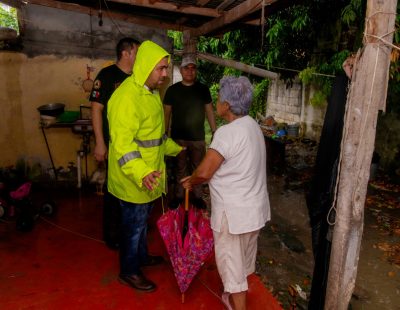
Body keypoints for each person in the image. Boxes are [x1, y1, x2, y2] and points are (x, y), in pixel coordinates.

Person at [181, 76, 270, 310]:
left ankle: (237, 305)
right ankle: (233, 294)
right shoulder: (252, 125)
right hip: (254, 212)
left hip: (233, 216)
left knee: (233, 268)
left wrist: (191, 180)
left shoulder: (226, 133)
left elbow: (206, 170)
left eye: (219, 98)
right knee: (242, 262)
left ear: (227, 106)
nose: (217, 101)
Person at [107, 40, 183, 292]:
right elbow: (123, 146)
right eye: (160, 69)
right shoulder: (126, 98)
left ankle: (141, 257)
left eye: (165, 69)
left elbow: (154, 137)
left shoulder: (149, 93)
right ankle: (128, 272)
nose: (165, 74)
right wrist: (143, 172)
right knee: (132, 227)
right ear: (146, 66)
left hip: (148, 178)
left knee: (140, 225)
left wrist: (175, 148)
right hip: (133, 180)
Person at [90, 37, 140, 250]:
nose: (139, 57)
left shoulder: (138, 78)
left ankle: (133, 229)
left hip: (136, 146)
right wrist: (101, 143)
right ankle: (112, 235)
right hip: (114, 145)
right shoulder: (107, 75)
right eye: (137, 52)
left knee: (133, 188)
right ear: (126, 53)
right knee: (114, 191)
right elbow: (96, 109)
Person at [163, 55, 217, 208]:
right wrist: (164, 135)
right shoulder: (172, 90)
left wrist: (214, 131)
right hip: (177, 139)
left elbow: (209, 111)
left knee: (198, 168)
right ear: (181, 70)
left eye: (193, 68)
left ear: (196, 71)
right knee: (180, 168)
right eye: (187, 68)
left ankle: (198, 196)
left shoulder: (203, 89)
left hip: (198, 138)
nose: (190, 71)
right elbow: (166, 114)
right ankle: (179, 196)